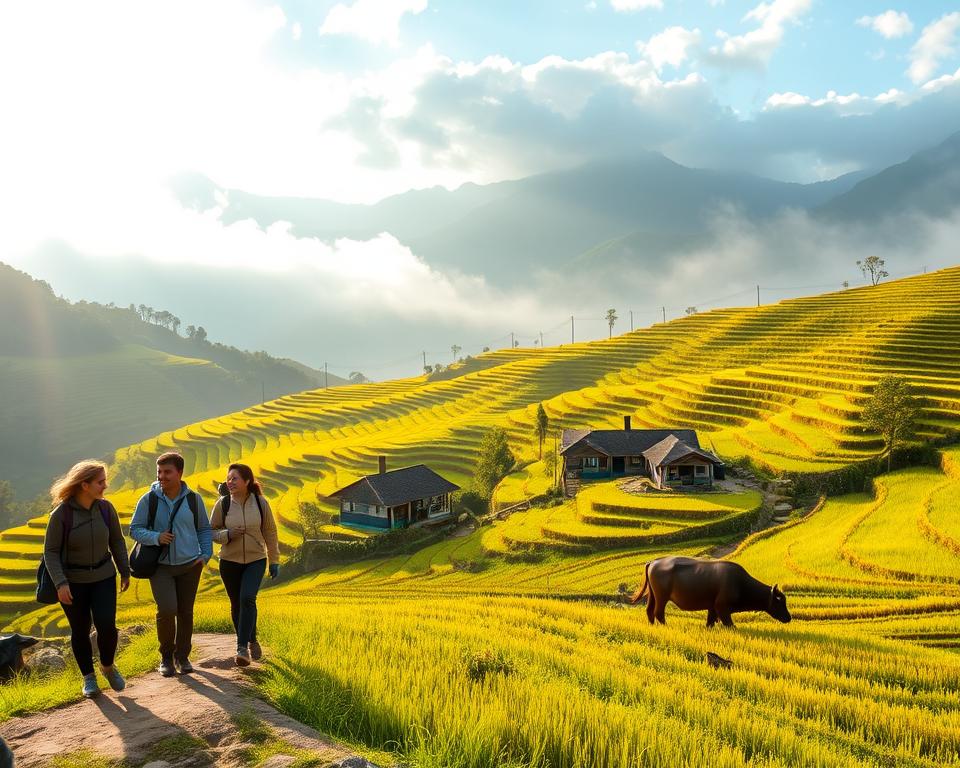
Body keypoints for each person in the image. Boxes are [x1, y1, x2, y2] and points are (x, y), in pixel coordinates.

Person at [42, 461, 130, 698]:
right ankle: (89, 678)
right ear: (85, 485)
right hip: (73, 582)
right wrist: (61, 583)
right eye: (100, 482)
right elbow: (50, 552)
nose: (105, 485)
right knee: (80, 630)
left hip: (103, 576)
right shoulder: (62, 514)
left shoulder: (105, 508)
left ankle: (108, 666)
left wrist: (125, 570)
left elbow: (117, 541)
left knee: (107, 626)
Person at [129, 452, 211, 676]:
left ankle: (182, 656)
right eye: (159, 472)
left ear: (180, 473)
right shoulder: (149, 499)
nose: (162, 477)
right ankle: (166, 656)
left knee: (185, 612)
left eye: (167, 472)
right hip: (161, 566)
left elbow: (204, 528)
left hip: (190, 565)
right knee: (166, 610)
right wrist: (156, 537)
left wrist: (205, 554)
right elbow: (134, 529)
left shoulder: (194, 500)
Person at [209, 463, 279, 666]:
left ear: (247, 481)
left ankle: (242, 647)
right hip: (229, 561)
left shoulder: (260, 503)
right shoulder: (223, 504)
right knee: (237, 603)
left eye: (234, 478)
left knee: (248, 598)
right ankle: (252, 639)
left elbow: (270, 532)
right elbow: (210, 531)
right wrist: (227, 535)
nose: (230, 482)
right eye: (228, 478)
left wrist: (274, 560)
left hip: (256, 559)